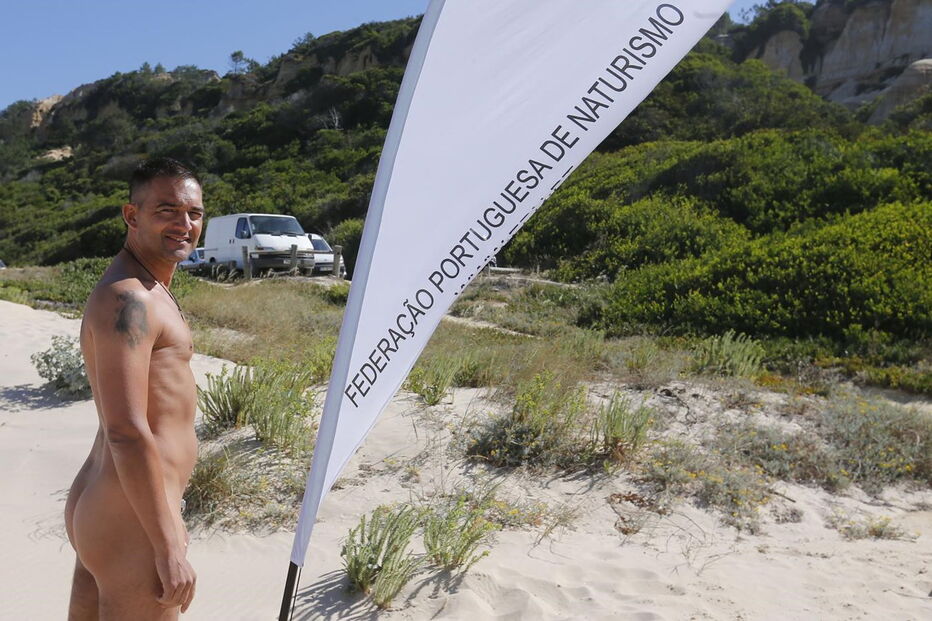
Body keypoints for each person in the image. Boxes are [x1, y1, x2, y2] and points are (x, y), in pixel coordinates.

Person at [64, 157, 204, 619]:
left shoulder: (145, 288)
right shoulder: (130, 298)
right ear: (132, 215)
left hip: (113, 499)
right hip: (134, 514)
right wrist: (166, 544)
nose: (184, 224)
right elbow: (125, 428)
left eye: (194, 213)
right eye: (166, 210)